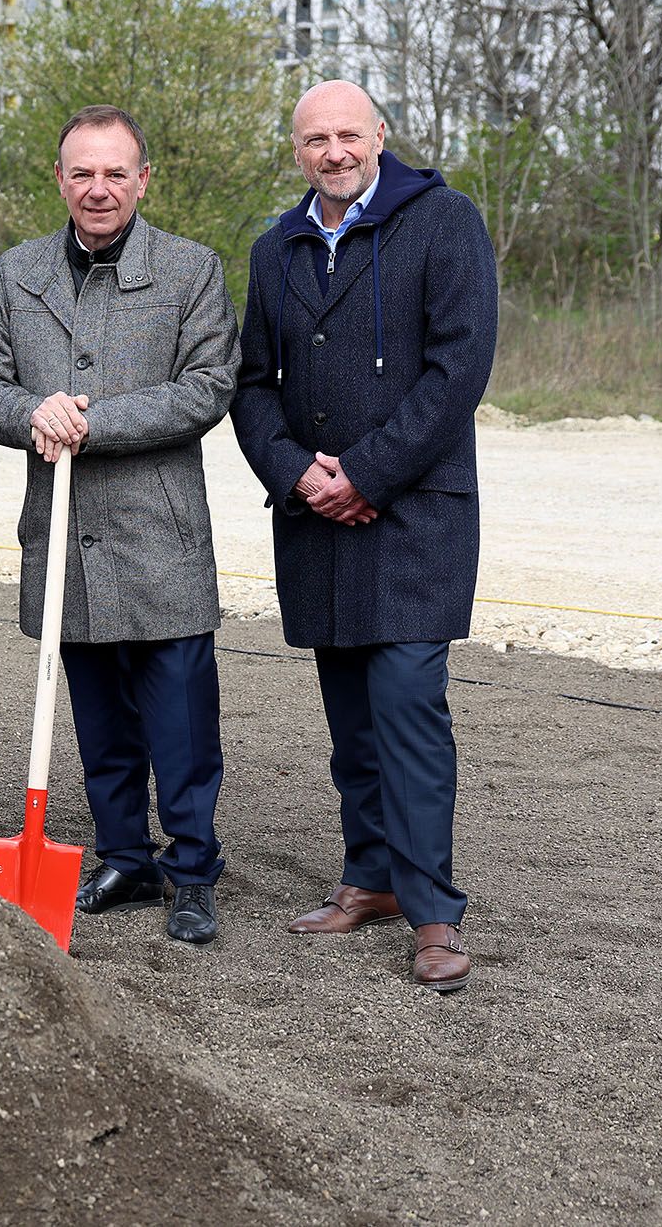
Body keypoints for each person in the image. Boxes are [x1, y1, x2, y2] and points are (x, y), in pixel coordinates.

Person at [229, 79, 499, 993]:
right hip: (317, 521)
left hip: (416, 516)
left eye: (349, 133)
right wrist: (299, 474)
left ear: (379, 134)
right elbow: (252, 386)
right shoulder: (277, 249)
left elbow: (459, 367)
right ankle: (371, 879)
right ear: (296, 149)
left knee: (409, 714)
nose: (333, 150)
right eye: (315, 138)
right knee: (352, 724)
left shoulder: (445, 221)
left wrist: (368, 474)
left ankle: (433, 914)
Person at [0, 105, 238, 946]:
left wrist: (91, 421)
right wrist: (30, 410)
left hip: (160, 538)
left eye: (116, 172)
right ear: (59, 179)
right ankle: (125, 853)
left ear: (143, 179)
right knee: (98, 720)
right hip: (66, 537)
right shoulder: (19, 273)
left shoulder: (190, 271)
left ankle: (192, 870)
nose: (99, 188)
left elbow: (208, 386)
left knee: (181, 724)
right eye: (82, 172)